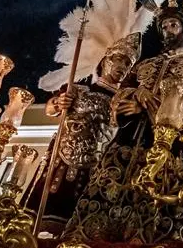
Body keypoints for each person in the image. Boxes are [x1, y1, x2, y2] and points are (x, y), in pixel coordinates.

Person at [64, 0, 183, 246]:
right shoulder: (145, 65)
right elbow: (120, 94)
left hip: (170, 148)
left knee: (155, 218)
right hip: (126, 144)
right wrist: (133, 96)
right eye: (164, 25)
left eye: (173, 24)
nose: (168, 30)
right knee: (102, 207)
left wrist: (156, 107)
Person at [25, 34, 141, 235]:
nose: (122, 66)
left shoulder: (124, 99)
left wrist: (138, 109)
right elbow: (51, 109)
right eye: (118, 60)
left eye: (128, 63)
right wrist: (59, 103)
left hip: (96, 169)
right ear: (106, 61)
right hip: (61, 164)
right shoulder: (79, 90)